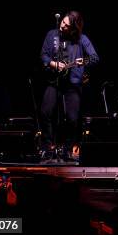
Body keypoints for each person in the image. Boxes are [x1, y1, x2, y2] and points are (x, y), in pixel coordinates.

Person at [40, 11, 99, 158]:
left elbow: (94, 57)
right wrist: (53, 64)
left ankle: (67, 149)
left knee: (72, 118)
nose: (62, 26)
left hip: (72, 84)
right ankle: (47, 148)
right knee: (46, 112)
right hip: (54, 81)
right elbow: (44, 55)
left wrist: (83, 61)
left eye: (66, 25)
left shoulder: (81, 39)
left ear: (73, 28)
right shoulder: (52, 35)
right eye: (62, 22)